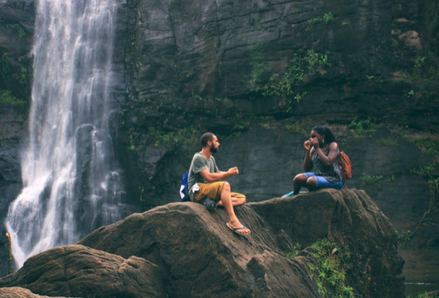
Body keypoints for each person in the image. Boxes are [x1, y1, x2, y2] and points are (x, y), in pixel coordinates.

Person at [187, 132, 251, 235]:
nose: (218, 144)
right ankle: (233, 221)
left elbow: (217, 173)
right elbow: (209, 177)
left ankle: (215, 203)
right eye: (216, 141)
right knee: (225, 185)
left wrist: (230, 173)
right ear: (209, 143)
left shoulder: (211, 158)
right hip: (197, 191)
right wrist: (227, 175)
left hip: (208, 190)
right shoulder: (198, 157)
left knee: (242, 199)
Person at [282, 125, 344, 197]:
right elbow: (307, 168)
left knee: (311, 181)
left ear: (322, 136)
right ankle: (295, 194)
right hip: (320, 175)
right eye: (311, 137)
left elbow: (328, 162)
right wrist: (308, 151)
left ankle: (314, 196)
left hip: (334, 179)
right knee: (298, 179)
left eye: (314, 136)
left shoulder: (333, 146)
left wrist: (317, 148)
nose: (311, 139)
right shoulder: (313, 149)